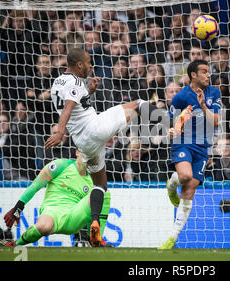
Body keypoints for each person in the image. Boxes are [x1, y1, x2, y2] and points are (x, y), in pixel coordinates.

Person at [44, 48, 153, 247]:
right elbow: (68, 106)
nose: (91, 66)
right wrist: (60, 132)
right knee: (139, 104)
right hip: (94, 128)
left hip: (83, 142)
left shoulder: (58, 82)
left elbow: (75, 104)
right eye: (88, 63)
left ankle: (94, 230)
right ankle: (174, 125)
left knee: (100, 185)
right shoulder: (75, 82)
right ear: (79, 65)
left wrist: (89, 92)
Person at [159, 59, 221, 249]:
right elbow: (173, 121)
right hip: (183, 143)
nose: (208, 75)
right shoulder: (180, 96)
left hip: (203, 148)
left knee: (190, 189)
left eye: (208, 71)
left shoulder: (214, 93)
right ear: (193, 75)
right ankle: (171, 186)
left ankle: (173, 237)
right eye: (204, 71)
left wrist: (203, 106)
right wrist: (172, 131)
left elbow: (216, 122)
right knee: (185, 176)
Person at [0, 150, 111, 247]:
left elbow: (91, 207)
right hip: (52, 211)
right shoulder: (60, 165)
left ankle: (96, 240)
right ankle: (15, 244)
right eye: (85, 153)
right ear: (77, 152)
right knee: (43, 227)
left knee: (103, 191)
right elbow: (35, 186)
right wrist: (17, 209)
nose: (87, 158)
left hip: (73, 217)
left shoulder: (93, 179)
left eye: (91, 155)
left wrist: (88, 230)